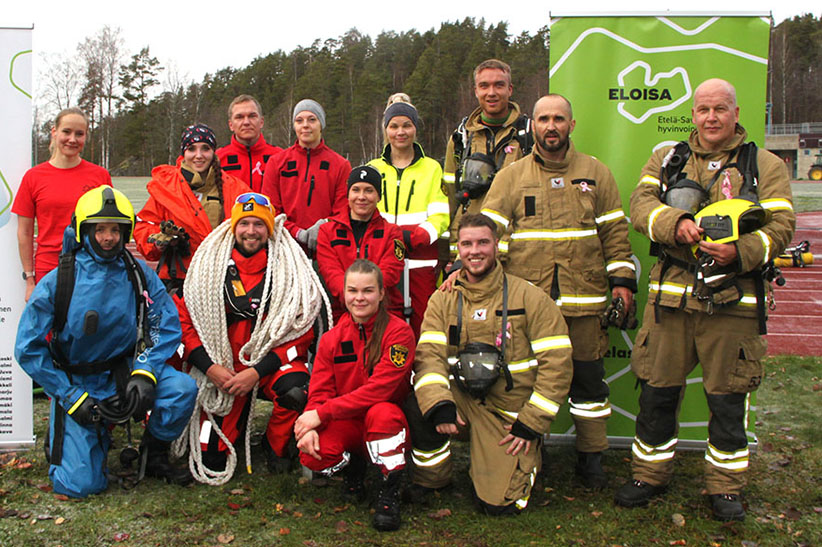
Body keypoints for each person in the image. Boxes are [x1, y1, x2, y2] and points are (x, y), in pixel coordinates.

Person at [616, 78, 795, 521]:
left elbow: (782, 228)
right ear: (692, 114)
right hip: (671, 306)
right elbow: (641, 206)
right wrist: (674, 223)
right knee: (656, 396)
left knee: (728, 402)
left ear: (735, 112)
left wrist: (742, 252)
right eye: (703, 110)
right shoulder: (667, 158)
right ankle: (649, 475)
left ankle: (725, 487)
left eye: (720, 109)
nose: (711, 118)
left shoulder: (765, 165)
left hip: (734, 304)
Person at [480, 94, 636, 489]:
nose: (551, 126)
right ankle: (533, 454)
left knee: (588, 385)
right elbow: (488, 236)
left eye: (559, 119)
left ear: (572, 124)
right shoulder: (511, 177)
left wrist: (622, 283)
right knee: (527, 385)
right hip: (527, 307)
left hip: (584, 303)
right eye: (543, 119)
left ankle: (592, 458)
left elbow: (615, 234)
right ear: (532, 125)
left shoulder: (596, 173)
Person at [14, 186, 198, 497]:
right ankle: (73, 433)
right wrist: (70, 397)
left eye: (115, 229)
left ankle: (153, 454)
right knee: (80, 486)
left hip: (124, 371)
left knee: (181, 389)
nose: (108, 238)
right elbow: (28, 348)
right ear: (83, 230)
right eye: (100, 230)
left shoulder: (137, 273)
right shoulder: (59, 281)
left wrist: (146, 371)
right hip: (78, 383)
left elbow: (164, 323)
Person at [407, 214, 573, 515]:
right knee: (417, 401)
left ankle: (528, 453)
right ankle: (433, 477)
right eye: (467, 244)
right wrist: (439, 403)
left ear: (497, 245)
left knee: (499, 506)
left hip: (510, 415)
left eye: (483, 242)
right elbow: (428, 355)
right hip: (462, 400)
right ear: (457, 248)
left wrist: (531, 423)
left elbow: (557, 365)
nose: (475, 251)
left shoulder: (530, 297)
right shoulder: (442, 299)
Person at [175, 193, 328, 484]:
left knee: (298, 388)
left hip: (266, 369)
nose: (251, 231)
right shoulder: (207, 269)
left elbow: (301, 332)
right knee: (212, 457)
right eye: (244, 223)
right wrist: (211, 368)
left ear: (269, 228)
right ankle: (235, 421)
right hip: (220, 372)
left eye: (259, 224)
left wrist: (256, 372)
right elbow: (184, 323)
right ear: (234, 226)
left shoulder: (288, 272)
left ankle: (275, 445)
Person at [295, 259, 415, 531]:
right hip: (347, 421)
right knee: (313, 454)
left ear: (382, 293)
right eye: (353, 291)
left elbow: (380, 390)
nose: (359, 298)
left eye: (368, 291)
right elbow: (321, 390)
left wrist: (322, 413)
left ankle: (389, 489)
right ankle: (354, 469)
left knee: (382, 413)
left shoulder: (399, 333)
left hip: (385, 419)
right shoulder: (331, 338)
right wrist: (311, 422)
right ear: (343, 293)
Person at [134, 123, 250, 294]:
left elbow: (253, 224)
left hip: (222, 278)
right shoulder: (166, 187)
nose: (199, 155)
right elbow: (143, 228)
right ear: (183, 153)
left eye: (205, 148)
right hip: (178, 281)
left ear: (213, 152)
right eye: (192, 149)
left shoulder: (235, 188)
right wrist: (160, 242)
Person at [368, 96, 449, 337]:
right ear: (386, 130)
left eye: (406, 125)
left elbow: (441, 216)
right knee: (382, 330)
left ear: (415, 127)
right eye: (394, 126)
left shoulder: (431, 168)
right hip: (381, 263)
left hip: (420, 265)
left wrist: (416, 236)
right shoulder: (373, 168)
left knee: (424, 329)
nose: (400, 132)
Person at [12, 107, 111, 301]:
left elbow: (110, 226)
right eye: (67, 131)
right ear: (54, 132)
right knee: (49, 328)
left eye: (79, 134)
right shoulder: (33, 178)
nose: (72, 139)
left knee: (88, 328)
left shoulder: (100, 176)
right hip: (48, 268)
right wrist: (30, 279)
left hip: (91, 266)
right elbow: (24, 232)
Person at [443, 59, 533, 260]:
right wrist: (449, 256)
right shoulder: (461, 139)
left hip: (517, 253)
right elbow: (449, 199)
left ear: (510, 89)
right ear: (475, 91)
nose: (491, 92)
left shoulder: (530, 136)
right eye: (484, 86)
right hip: (469, 252)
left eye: (498, 85)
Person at [316, 165, 406, 323]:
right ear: (348, 194)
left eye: (369, 190)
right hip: (341, 315)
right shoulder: (327, 231)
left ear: (379, 196)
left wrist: (366, 299)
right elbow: (330, 272)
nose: (361, 197)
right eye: (356, 190)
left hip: (383, 314)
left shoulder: (393, 233)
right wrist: (353, 300)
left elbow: (390, 271)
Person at [261, 99, 350, 256]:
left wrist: (323, 226)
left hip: (328, 250)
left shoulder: (340, 165)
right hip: (286, 251)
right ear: (294, 125)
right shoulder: (277, 163)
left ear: (321, 124)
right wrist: (297, 232)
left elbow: (343, 210)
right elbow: (270, 210)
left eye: (312, 119)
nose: (305, 125)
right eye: (299, 120)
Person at [216, 95, 282, 192]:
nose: (246, 122)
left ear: (261, 122)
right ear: (231, 125)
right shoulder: (218, 159)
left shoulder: (280, 157)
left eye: (252, 116)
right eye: (239, 117)